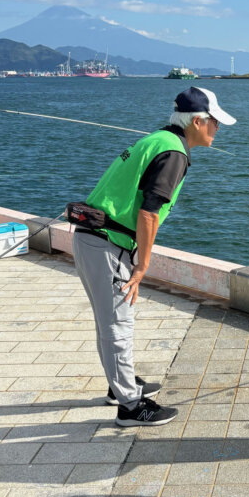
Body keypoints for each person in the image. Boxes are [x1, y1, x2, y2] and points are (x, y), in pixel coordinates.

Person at [75, 87, 236, 427]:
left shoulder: (157, 139)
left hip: (94, 239)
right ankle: (131, 407)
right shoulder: (174, 153)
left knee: (111, 321)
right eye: (214, 123)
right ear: (197, 121)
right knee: (117, 325)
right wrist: (142, 266)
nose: (217, 129)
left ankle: (120, 385)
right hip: (108, 244)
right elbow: (149, 214)